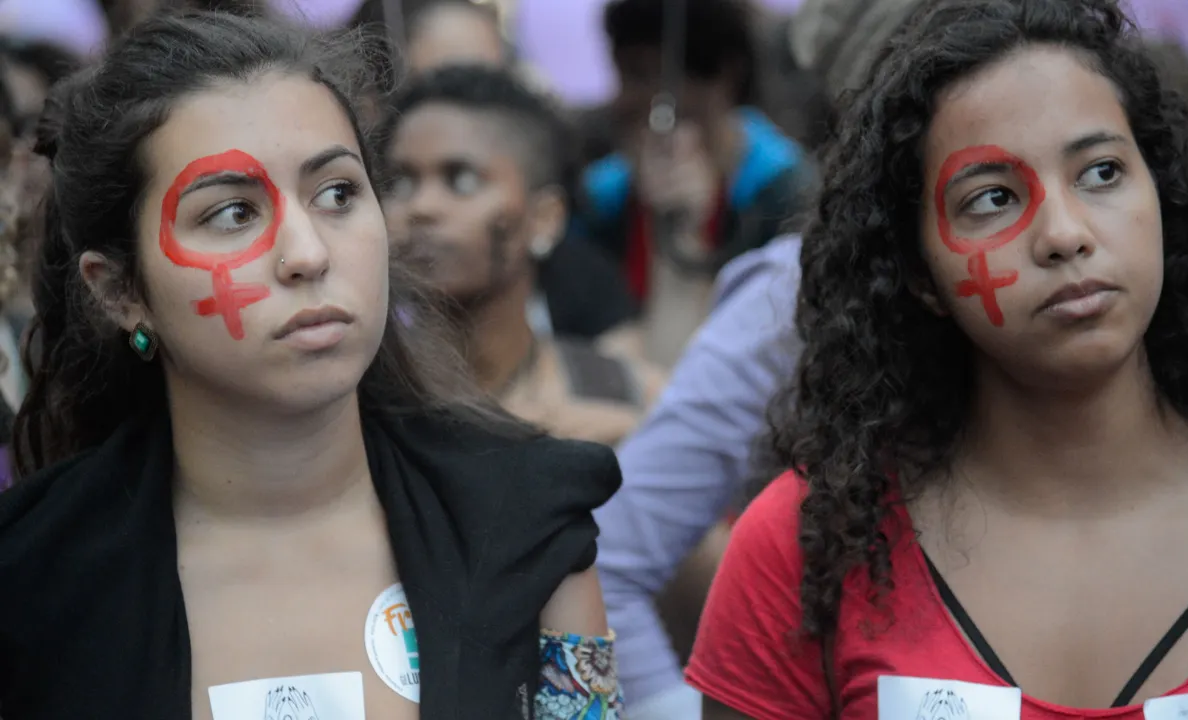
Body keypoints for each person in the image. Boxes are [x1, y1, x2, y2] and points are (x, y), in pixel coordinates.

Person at [0, 13, 623, 719]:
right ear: (118, 290)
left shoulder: (528, 520)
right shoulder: (29, 582)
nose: (308, 252)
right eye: (232, 213)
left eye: (337, 194)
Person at [689, 1, 1188, 718]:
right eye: (992, 198)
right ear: (916, 272)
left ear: (1164, 196)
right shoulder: (807, 542)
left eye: (1100, 173)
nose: (1064, 234)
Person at [592, 0, 925, 717]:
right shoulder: (799, 283)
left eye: (1099, 172)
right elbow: (612, 552)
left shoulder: (780, 185)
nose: (1059, 238)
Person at [381, 65, 664, 446]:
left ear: (544, 219)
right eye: (400, 181)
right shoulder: (352, 403)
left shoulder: (628, 402)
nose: (421, 207)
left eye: (461, 180)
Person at [581, 0, 812, 367]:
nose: (625, 99)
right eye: (621, 75)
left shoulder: (788, 197)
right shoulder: (603, 195)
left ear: (723, 75)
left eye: (643, 75)